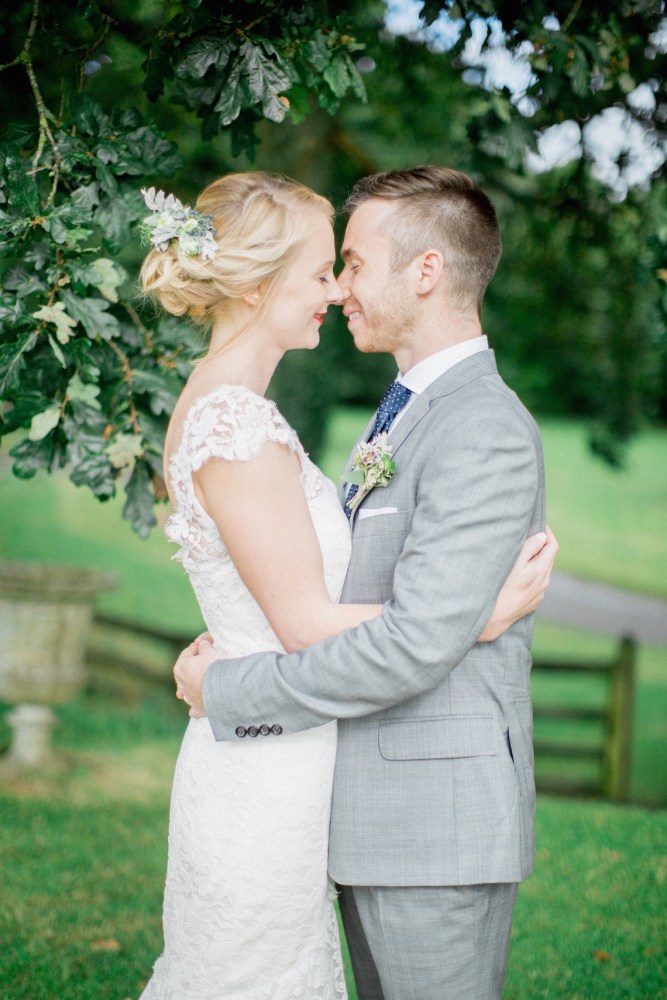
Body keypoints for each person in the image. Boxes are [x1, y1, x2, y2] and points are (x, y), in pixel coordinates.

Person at [174, 166, 556, 1000]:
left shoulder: (481, 428)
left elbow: (413, 643)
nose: (341, 287)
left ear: (425, 272)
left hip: (433, 823)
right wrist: (470, 618)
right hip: (352, 811)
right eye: (329, 268)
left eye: (351, 263)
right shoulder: (402, 412)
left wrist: (230, 689)